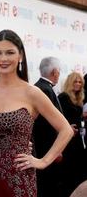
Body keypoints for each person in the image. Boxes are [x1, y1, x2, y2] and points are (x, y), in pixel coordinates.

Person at [0, 29, 73, 197]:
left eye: (10, 52)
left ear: (21, 56)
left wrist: (43, 161)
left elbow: (66, 130)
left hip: (18, 176)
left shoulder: (32, 93)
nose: (3, 58)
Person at [32, 56, 64, 197]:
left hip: (42, 149)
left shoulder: (41, 87)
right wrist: (57, 150)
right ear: (55, 72)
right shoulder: (45, 90)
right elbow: (47, 126)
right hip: (46, 150)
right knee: (47, 186)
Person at [58, 72, 87, 197]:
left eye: (80, 82)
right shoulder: (63, 97)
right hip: (68, 138)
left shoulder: (79, 98)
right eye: (75, 81)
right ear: (70, 82)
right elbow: (59, 117)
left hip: (78, 138)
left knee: (78, 167)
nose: (78, 84)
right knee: (69, 167)